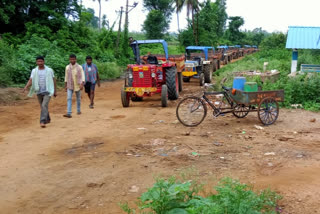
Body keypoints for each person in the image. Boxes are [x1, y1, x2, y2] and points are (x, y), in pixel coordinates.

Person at [23, 56, 57, 128]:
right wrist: (26, 87)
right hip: (38, 91)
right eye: (38, 61)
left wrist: (55, 91)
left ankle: (42, 121)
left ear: (44, 62)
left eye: (41, 61)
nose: (40, 63)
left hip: (48, 90)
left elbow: (53, 80)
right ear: (36, 62)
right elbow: (31, 80)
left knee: (44, 105)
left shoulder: (49, 70)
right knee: (43, 106)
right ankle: (48, 118)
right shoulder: (34, 71)